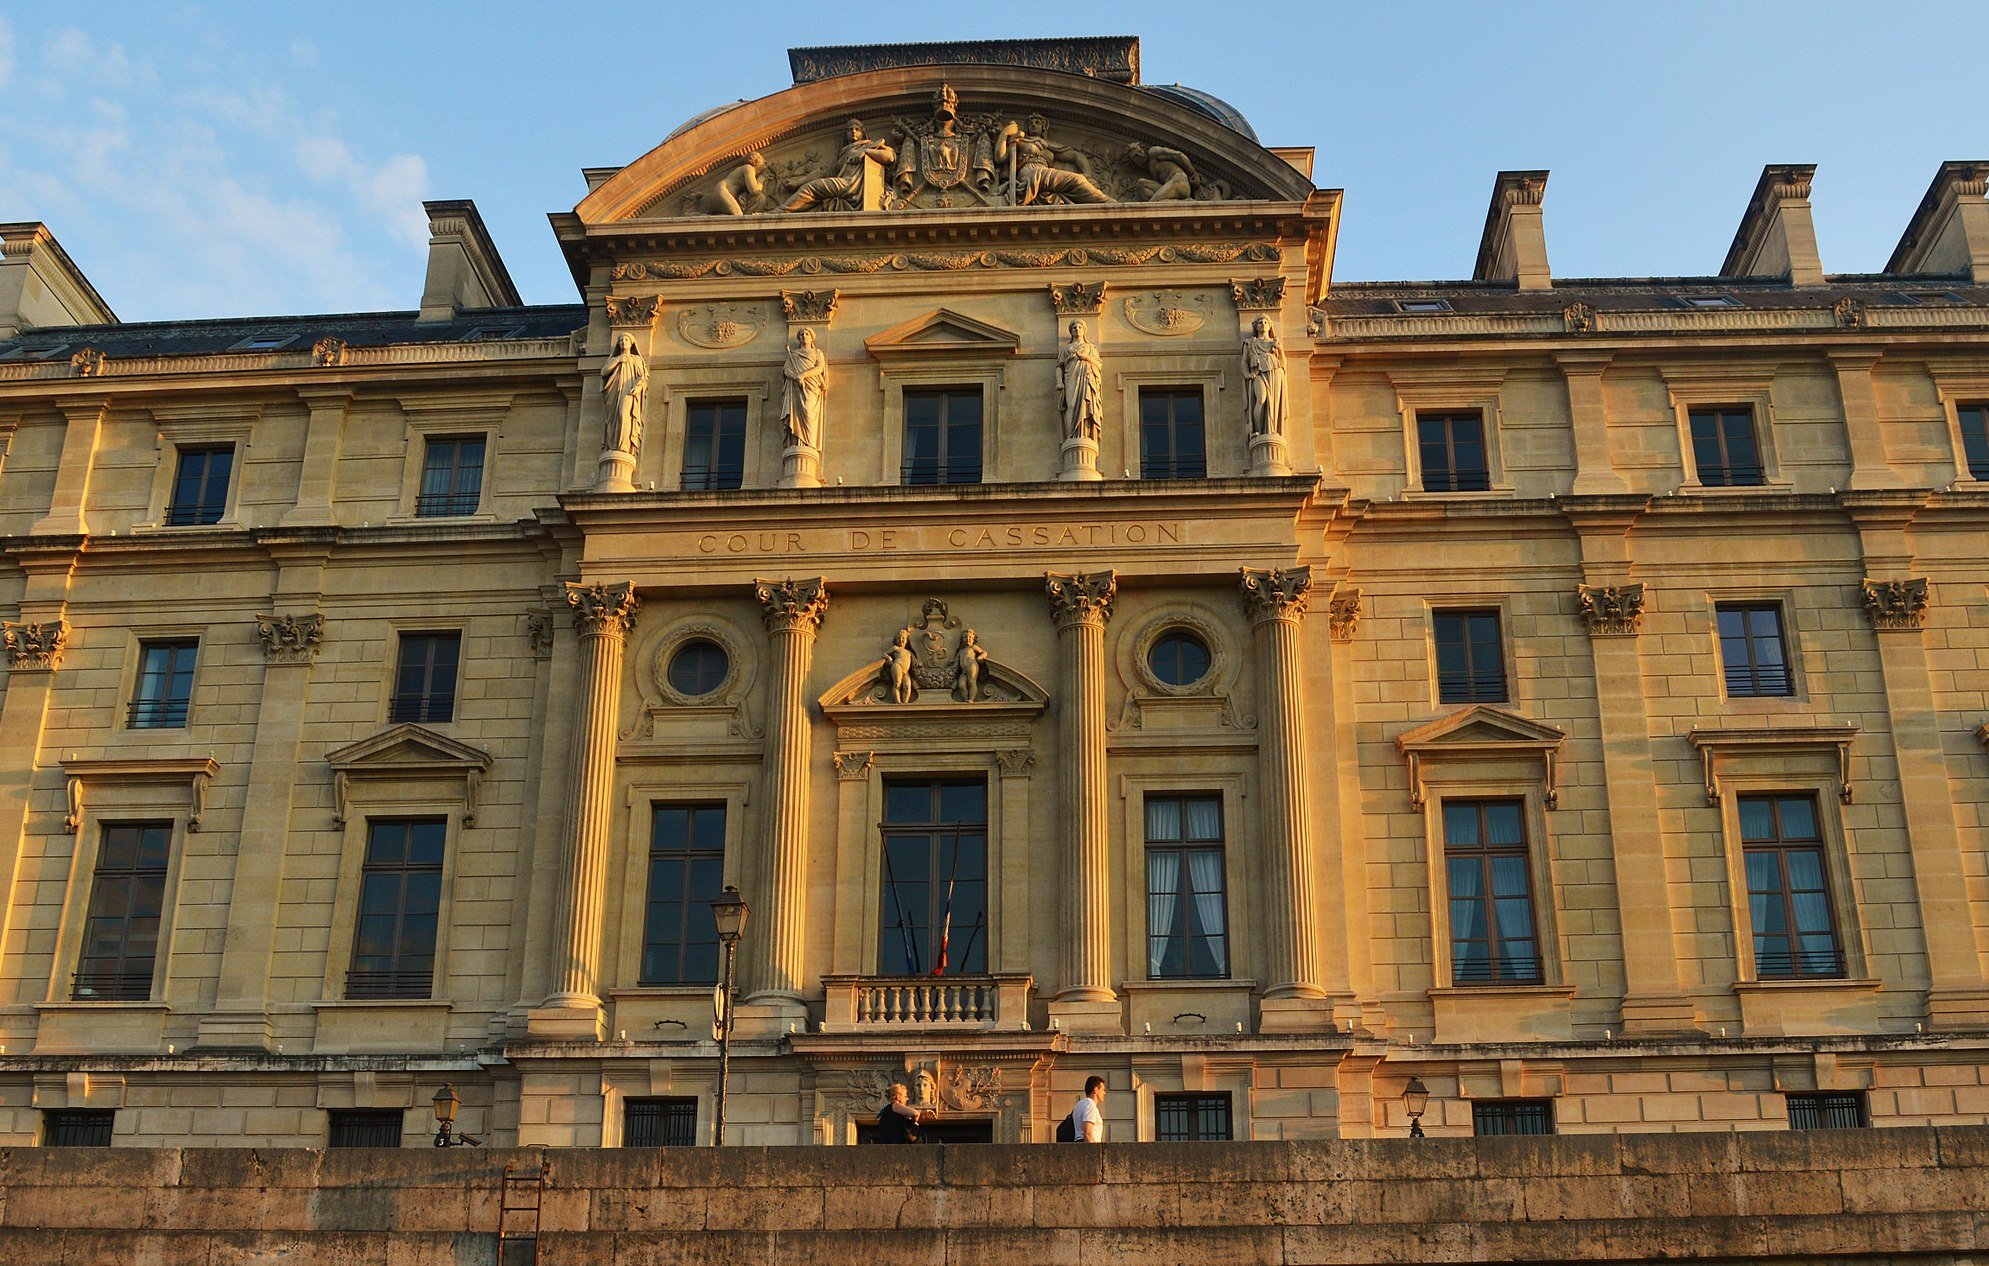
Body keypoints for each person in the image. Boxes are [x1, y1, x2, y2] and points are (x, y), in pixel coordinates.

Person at [1240, 315, 1287, 438]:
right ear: (1255, 326)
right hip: (1258, 373)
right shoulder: (1250, 343)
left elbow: (1283, 363)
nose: (1263, 324)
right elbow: (1244, 361)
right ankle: (1258, 430)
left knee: (1273, 403)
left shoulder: (1274, 343)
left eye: (1266, 322)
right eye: (1260, 322)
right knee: (1261, 398)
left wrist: (1280, 349)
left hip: (1275, 371)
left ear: (1270, 326)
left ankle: (1271, 430)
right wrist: (1247, 374)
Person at [1057, 320, 1104, 442]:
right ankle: (1071, 435)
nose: (1077, 329)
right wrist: (1059, 382)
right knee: (1071, 405)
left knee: (1085, 404)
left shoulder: (1090, 348)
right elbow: (1059, 366)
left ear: (1084, 331)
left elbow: (1099, 365)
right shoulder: (1066, 348)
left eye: (1079, 327)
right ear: (1071, 331)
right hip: (1070, 377)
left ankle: (1085, 435)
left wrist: (1086, 358)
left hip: (1086, 378)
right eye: (1074, 328)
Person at [780, 327, 827, 450]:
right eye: (801, 334)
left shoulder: (817, 353)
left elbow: (820, 368)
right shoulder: (793, 354)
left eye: (807, 334)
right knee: (795, 415)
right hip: (795, 387)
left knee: (808, 412)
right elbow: (786, 370)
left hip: (811, 386)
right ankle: (796, 443)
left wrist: (803, 375)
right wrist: (796, 378)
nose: (804, 336)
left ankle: (809, 445)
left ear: (812, 338)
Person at [1070, 1075, 1106, 1143]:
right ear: (1096, 1090)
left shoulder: (1080, 1104)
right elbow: (1087, 1132)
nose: (1104, 1093)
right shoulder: (1090, 1105)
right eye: (1103, 1090)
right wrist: (1093, 1149)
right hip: (1087, 1144)